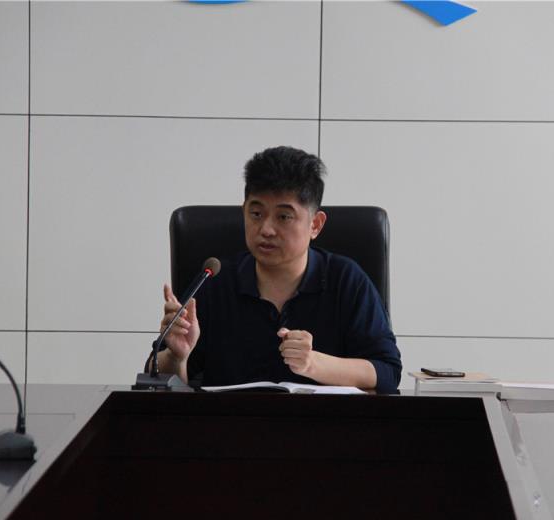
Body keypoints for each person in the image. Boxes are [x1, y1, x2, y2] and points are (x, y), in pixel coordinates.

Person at [153, 146, 402, 393]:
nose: (266, 229)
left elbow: (387, 372)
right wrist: (177, 357)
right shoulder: (214, 281)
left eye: (283, 217)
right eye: (256, 214)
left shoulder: (346, 280)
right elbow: (159, 379)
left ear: (315, 225)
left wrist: (313, 364)